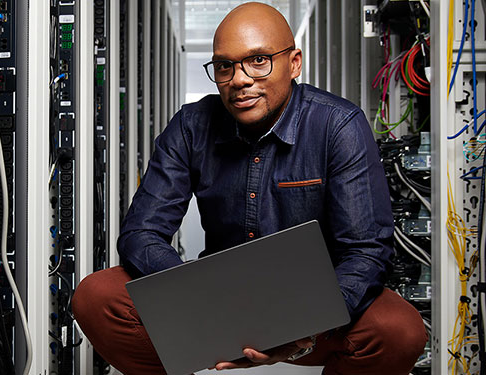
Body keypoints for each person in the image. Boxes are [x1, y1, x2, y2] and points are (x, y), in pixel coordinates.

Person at [72, 2, 428, 374]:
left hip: (311, 309)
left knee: (397, 330)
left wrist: (306, 321)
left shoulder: (337, 125)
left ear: (294, 63)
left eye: (258, 60)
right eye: (225, 66)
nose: (239, 79)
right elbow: (140, 233)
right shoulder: (193, 125)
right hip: (215, 301)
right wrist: (195, 295)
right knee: (98, 297)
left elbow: (365, 250)